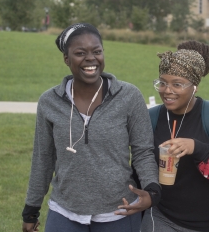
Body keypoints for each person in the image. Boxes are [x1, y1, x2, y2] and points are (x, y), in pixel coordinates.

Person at [21, 23, 160, 232]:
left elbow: (143, 152)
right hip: (65, 211)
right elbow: (43, 159)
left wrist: (151, 190)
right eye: (80, 53)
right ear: (66, 59)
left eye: (97, 51)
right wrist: (31, 210)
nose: (90, 58)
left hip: (119, 210)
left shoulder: (129, 96)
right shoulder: (49, 102)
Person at [141, 41, 209, 232]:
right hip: (163, 218)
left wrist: (197, 148)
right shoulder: (152, 118)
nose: (167, 91)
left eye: (177, 84)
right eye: (162, 83)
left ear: (194, 87)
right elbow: (140, 162)